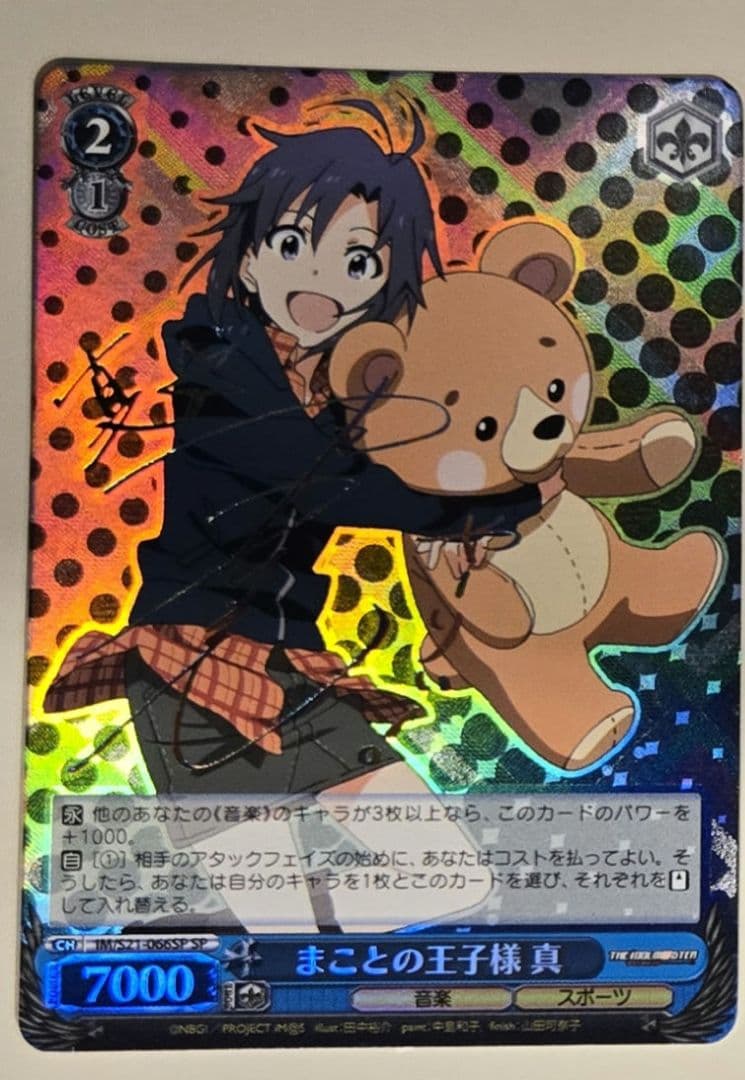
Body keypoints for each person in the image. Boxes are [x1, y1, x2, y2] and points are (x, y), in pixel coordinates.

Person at [46, 100, 540, 799]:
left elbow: (406, 465)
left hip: (291, 661)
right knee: (277, 873)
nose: (320, 280)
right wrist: (497, 507)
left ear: (386, 283)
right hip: (189, 660)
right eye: (290, 245)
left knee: (431, 853)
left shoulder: (345, 392)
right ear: (249, 263)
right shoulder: (219, 370)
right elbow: (335, 485)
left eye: (358, 260)